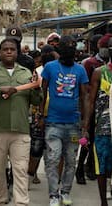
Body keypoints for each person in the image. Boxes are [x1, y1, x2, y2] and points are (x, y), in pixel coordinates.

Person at [0, 38, 42, 206]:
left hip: (21, 131)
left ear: (17, 52)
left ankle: (21, 203)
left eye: (12, 49)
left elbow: (36, 100)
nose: (9, 51)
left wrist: (36, 87)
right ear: (0, 52)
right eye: (6, 49)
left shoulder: (26, 73)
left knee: (20, 172)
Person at [41, 35, 89, 206]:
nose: (70, 49)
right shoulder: (50, 67)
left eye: (73, 46)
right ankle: (53, 194)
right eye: (66, 46)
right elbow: (43, 91)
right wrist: (41, 115)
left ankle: (66, 192)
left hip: (74, 124)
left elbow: (85, 97)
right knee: (53, 159)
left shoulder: (80, 70)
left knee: (70, 160)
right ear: (59, 48)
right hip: (53, 122)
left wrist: (85, 122)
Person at [82, 36, 112, 206]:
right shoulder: (100, 72)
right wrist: (85, 127)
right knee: (101, 166)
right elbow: (90, 102)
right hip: (103, 129)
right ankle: (103, 202)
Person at [76, 33, 106, 185]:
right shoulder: (89, 63)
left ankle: (91, 167)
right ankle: (80, 168)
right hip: (92, 107)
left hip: (106, 110)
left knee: (100, 142)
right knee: (87, 141)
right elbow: (85, 89)